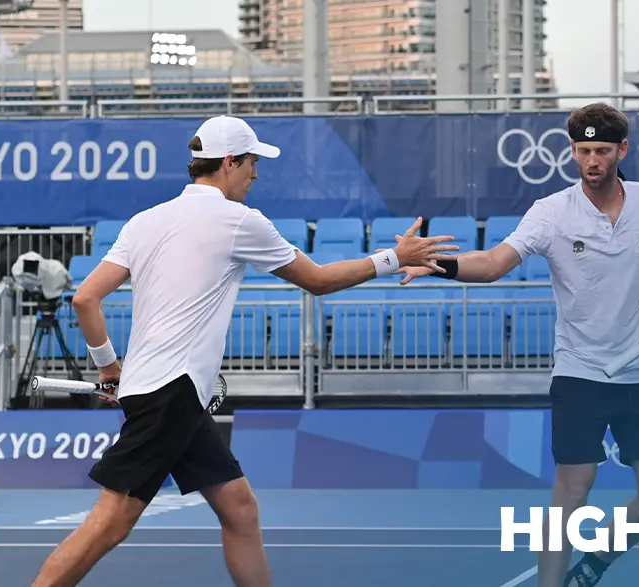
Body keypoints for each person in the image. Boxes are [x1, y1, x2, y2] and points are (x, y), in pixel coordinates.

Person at [28, 115, 459, 587]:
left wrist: (109, 368)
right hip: (171, 395)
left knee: (239, 508)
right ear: (230, 162)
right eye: (252, 162)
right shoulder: (239, 221)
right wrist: (395, 258)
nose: (256, 173)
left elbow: (85, 299)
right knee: (110, 522)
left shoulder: (143, 221)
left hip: (166, 392)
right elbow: (317, 281)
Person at [399, 103, 639, 587]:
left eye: (602, 150)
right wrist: (439, 264)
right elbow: (491, 263)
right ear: (572, 151)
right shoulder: (550, 213)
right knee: (573, 493)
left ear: (622, 151)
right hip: (581, 373)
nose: (592, 160)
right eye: (583, 150)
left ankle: (595, 563)